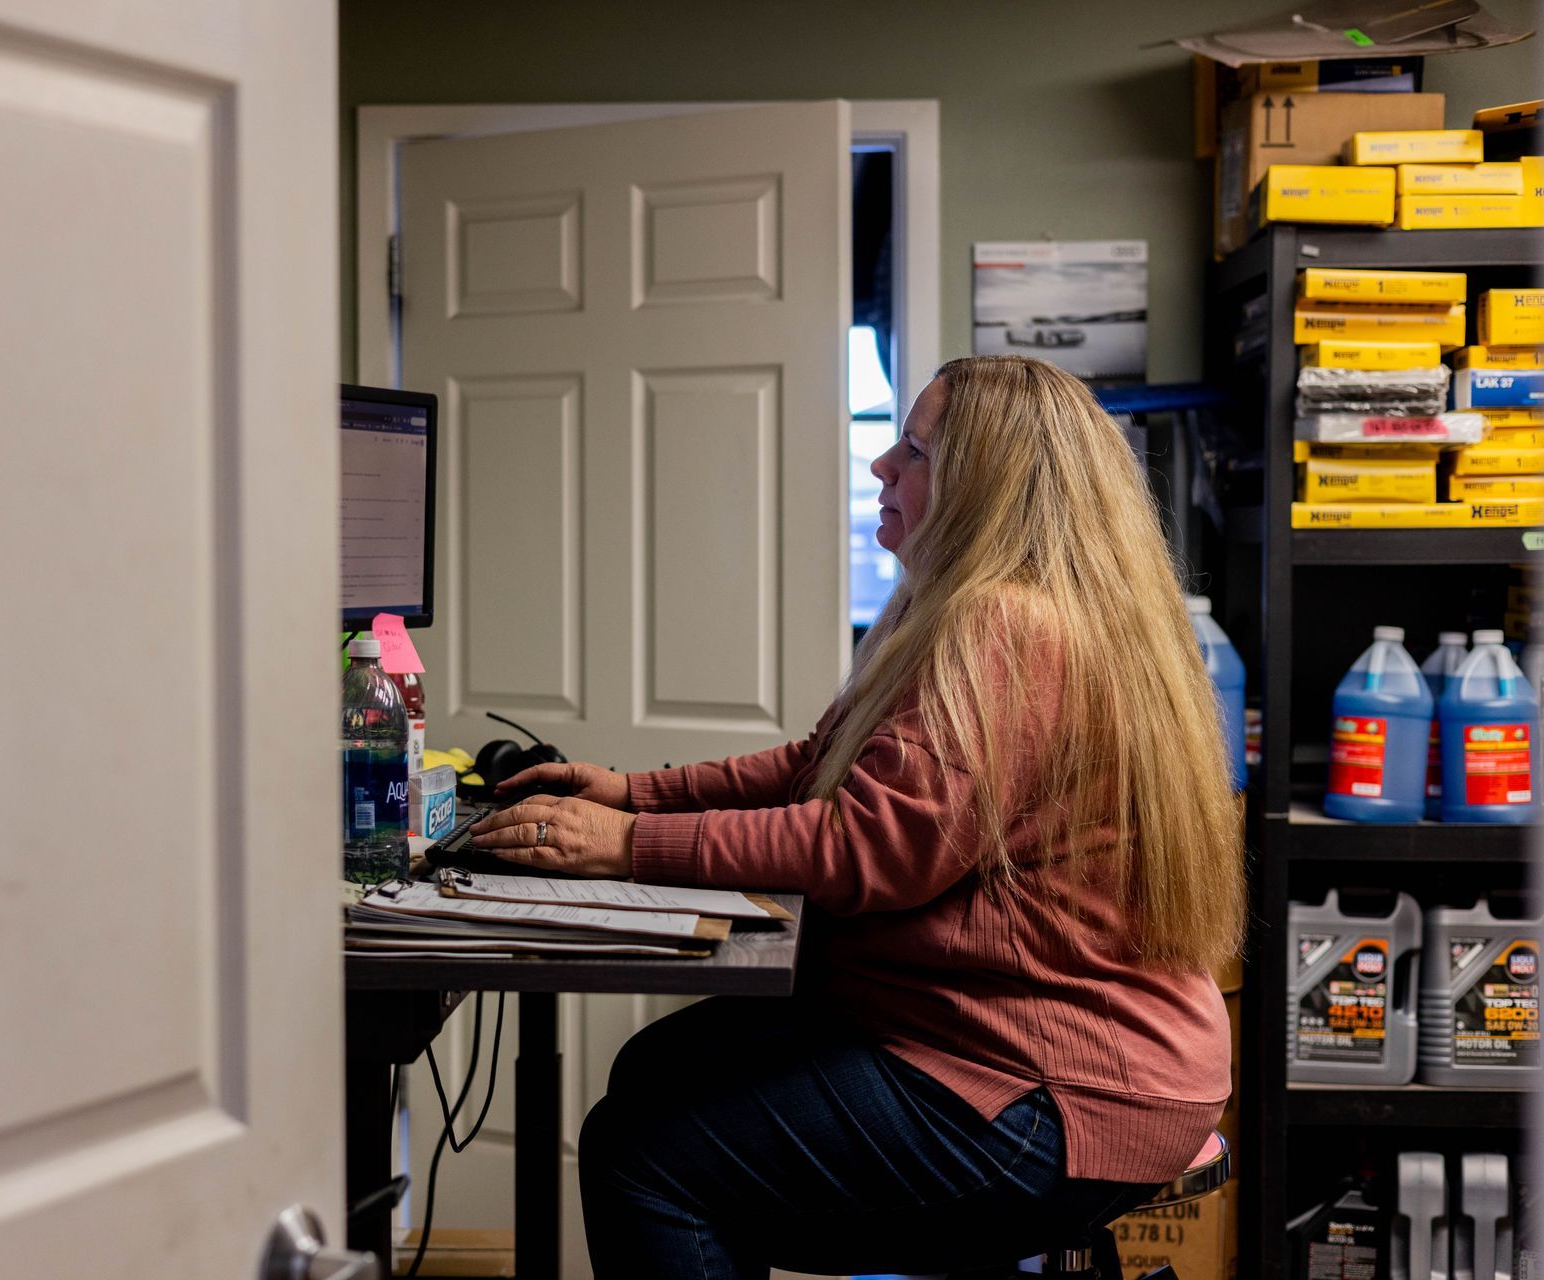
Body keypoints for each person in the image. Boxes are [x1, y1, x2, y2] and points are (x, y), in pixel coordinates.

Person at [469, 355, 1244, 1278]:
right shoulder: (969, 608)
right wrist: (636, 792)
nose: (881, 465)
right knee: (659, 1070)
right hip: (1023, 1050)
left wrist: (628, 848)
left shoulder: (1007, 624)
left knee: (646, 1156)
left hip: (1057, 1090)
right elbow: (817, 765)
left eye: (913, 450)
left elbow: (871, 845)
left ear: (981, 485)